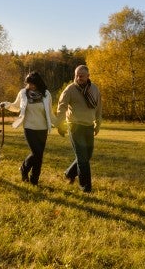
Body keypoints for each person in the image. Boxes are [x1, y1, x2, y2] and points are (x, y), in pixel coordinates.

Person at [0, 71, 56, 186]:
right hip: (29, 127)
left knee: (39, 156)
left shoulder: (46, 94)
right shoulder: (23, 93)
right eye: (28, 84)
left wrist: (59, 124)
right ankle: (24, 168)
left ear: (38, 83)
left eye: (32, 84)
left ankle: (34, 180)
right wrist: (6, 105)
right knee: (37, 153)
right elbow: (16, 106)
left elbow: (50, 113)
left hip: (43, 128)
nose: (29, 86)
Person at [55, 65, 102, 193]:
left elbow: (98, 108)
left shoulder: (94, 89)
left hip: (88, 126)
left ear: (88, 76)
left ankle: (69, 174)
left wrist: (98, 124)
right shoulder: (70, 89)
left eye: (81, 75)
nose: (78, 77)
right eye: (76, 75)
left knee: (87, 156)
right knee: (82, 159)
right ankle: (86, 188)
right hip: (75, 126)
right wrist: (60, 124)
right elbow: (62, 107)